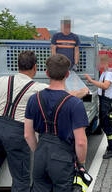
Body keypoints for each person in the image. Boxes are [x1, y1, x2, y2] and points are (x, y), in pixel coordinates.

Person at [0, 51, 89, 192]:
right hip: (17, 132)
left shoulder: (1, 81)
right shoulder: (37, 89)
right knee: (21, 178)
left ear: (17, 65)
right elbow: (62, 96)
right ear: (35, 67)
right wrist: (82, 92)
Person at [24, 54, 89, 191]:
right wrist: (81, 163)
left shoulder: (33, 99)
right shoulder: (75, 104)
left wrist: (40, 151)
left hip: (40, 158)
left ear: (47, 73)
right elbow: (81, 142)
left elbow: (28, 135)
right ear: (67, 74)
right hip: (63, 160)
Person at [84, 54, 112, 159]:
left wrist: (91, 81)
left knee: (107, 126)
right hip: (105, 102)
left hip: (108, 103)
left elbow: (105, 86)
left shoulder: (108, 74)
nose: (98, 65)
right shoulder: (104, 73)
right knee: (105, 125)